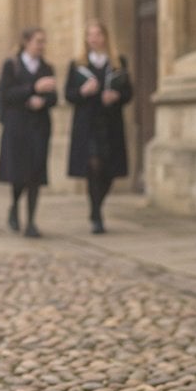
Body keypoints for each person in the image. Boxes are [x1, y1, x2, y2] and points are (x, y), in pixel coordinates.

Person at [64, 21, 133, 234]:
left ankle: (97, 207)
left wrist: (116, 96)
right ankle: (96, 214)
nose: (94, 38)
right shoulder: (77, 65)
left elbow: (129, 93)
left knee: (110, 171)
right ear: (86, 39)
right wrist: (83, 91)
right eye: (90, 35)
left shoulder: (118, 62)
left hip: (110, 124)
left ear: (105, 37)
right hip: (87, 124)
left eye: (98, 34)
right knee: (94, 166)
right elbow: (68, 95)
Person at [0, 26, 56, 238]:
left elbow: (54, 97)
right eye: (38, 41)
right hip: (17, 127)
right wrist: (32, 90)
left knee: (35, 175)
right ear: (26, 42)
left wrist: (44, 101)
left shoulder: (47, 67)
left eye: (43, 42)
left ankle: (31, 222)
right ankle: (14, 206)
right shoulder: (12, 66)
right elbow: (6, 94)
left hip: (39, 127)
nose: (41, 46)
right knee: (19, 174)